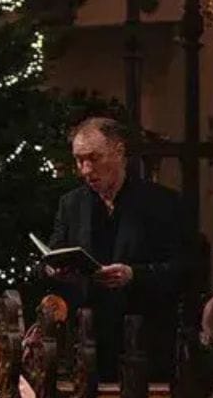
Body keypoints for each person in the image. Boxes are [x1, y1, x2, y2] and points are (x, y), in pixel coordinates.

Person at [43, 117, 191, 381]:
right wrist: (52, 269)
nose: (86, 169)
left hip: (145, 334)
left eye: (94, 158)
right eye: (79, 160)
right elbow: (53, 254)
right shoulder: (71, 204)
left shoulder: (161, 203)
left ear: (120, 152)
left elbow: (184, 268)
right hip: (89, 338)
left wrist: (134, 274)